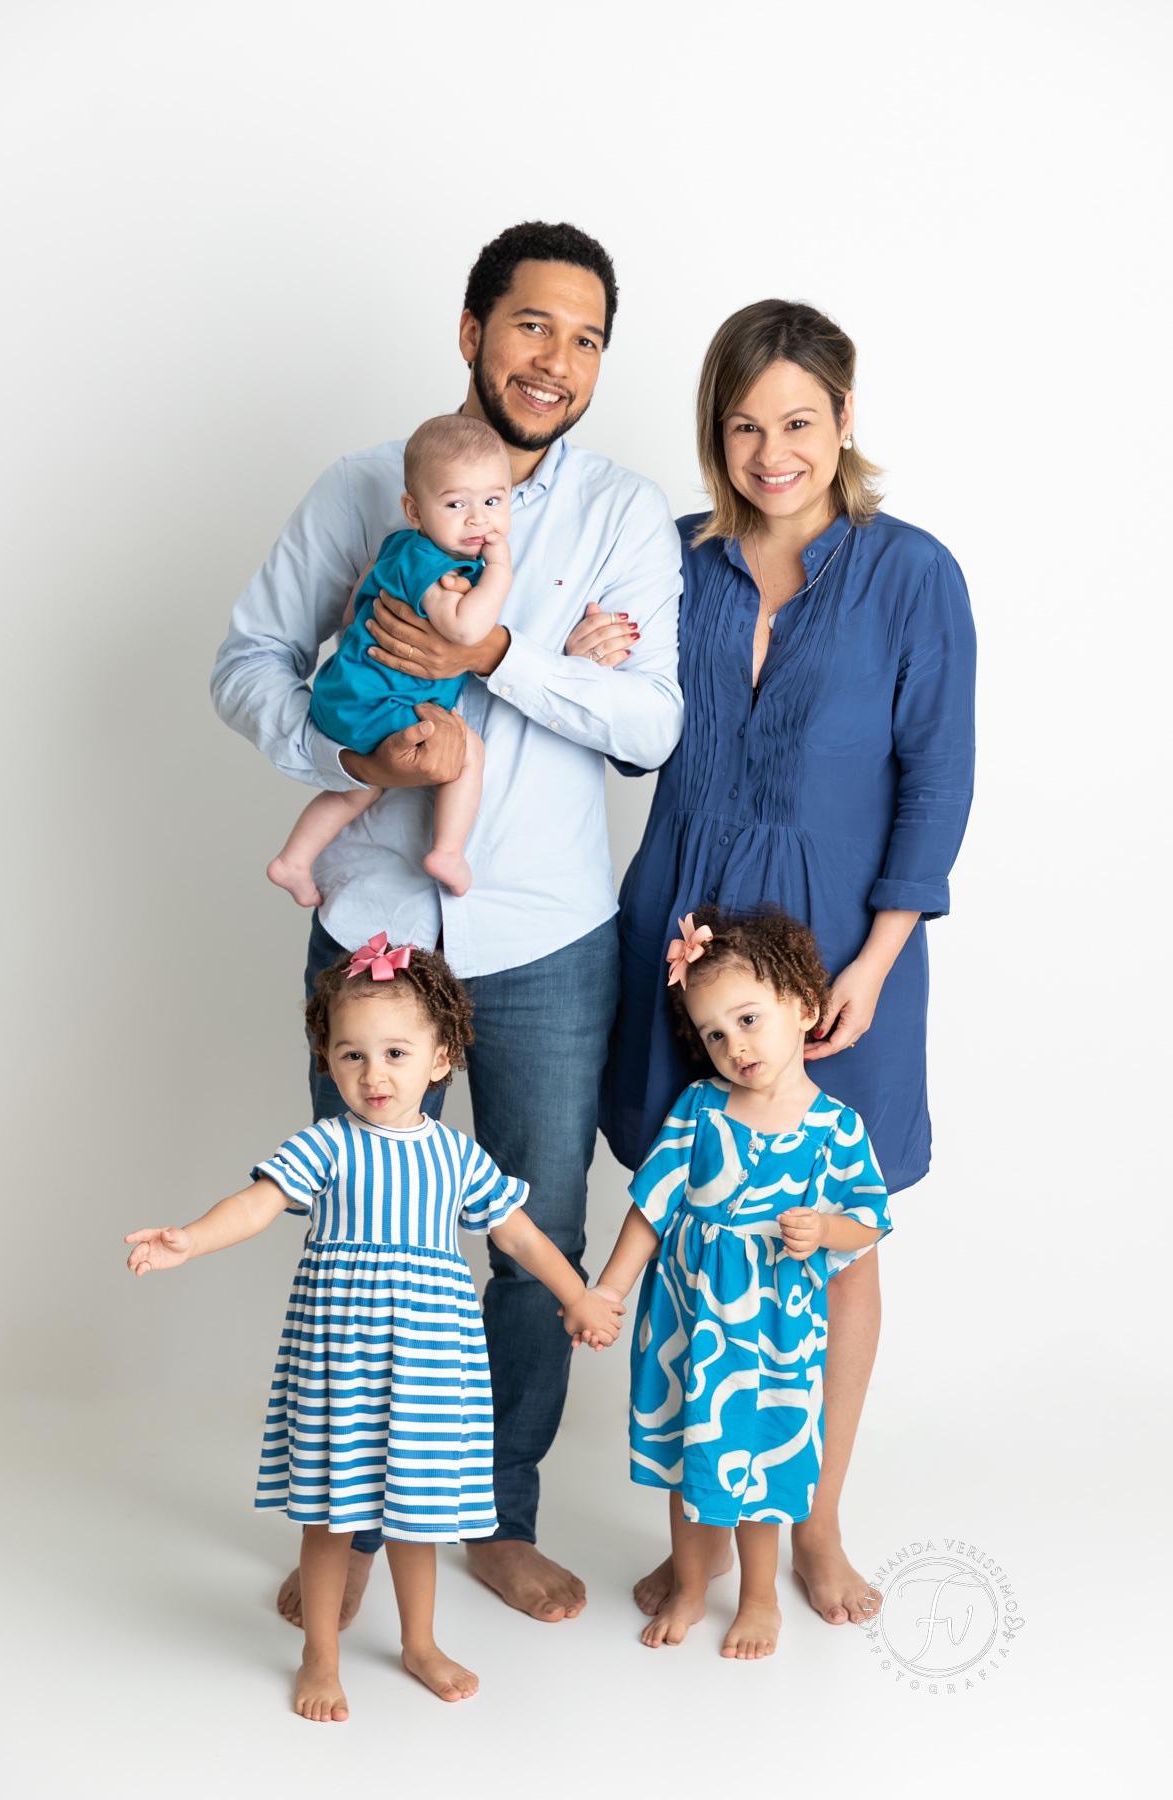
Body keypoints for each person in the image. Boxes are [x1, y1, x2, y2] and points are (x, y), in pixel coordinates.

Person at [211, 220, 683, 1626]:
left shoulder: (624, 516)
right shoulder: (361, 486)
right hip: (373, 928)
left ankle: (497, 1513)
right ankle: (347, 1531)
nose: (556, 361)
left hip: (546, 935)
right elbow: (248, 660)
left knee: (539, 1227)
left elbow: (650, 725)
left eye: (586, 339)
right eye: (532, 325)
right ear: (473, 332)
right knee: (361, 1235)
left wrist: (503, 654)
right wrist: (345, 755)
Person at [595, 299, 975, 1629]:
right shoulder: (673, 559)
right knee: (696, 1214)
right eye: (745, 426)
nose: (773, 454)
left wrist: (879, 957)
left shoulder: (912, 572)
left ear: (846, 418)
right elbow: (632, 741)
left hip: (845, 947)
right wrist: (593, 661)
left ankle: (815, 1523)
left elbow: (937, 778)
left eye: (800, 422)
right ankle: (702, 1538)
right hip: (683, 933)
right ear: (716, 431)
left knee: (836, 1238)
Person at [124, 937, 623, 1721]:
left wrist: (577, 1297)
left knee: (418, 1516)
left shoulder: (457, 1156)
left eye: (395, 1052)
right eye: (351, 1054)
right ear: (327, 1060)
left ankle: (419, 1644)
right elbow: (256, 1204)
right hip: (342, 1363)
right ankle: (319, 1656)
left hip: (428, 1364)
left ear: (441, 1058)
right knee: (333, 1516)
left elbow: (522, 1237)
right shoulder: (326, 1144)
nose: (372, 1073)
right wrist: (190, 1237)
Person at [575, 907, 890, 1657]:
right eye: (714, 1034)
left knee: (761, 1463)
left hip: (773, 1336)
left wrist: (827, 1229)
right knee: (691, 1456)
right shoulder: (699, 1108)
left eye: (748, 1019)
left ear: (804, 1008)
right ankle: (692, 1585)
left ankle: (759, 1599)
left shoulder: (836, 1128)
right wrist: (609, 1291)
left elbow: (869, 1222)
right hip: (688, 1328)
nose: (734, 1045)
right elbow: (651, 1207)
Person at [267, 415, 514, 904]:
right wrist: (500, 571)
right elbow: (466, 630)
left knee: (360, 788)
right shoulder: (436, 567)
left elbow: (353, 607)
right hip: (380, 703)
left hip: (343, 692)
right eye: (456, 504)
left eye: (493, 501)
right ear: (415, 510)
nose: (478, 519)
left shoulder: (399, 546)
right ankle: (447, 852)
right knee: (469, 752)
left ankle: (293, 861)